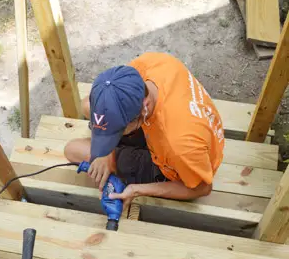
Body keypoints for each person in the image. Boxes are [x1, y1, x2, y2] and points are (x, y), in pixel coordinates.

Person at [64, 52, 224, 209]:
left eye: (117, 130)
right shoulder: (152, 64)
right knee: (87, 106)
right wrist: (106, 152)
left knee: (73, 150)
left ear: (144, 107)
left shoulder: (179, 145)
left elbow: (202, 188)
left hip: (176, 164)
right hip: (172, 130)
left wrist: (136, 189)